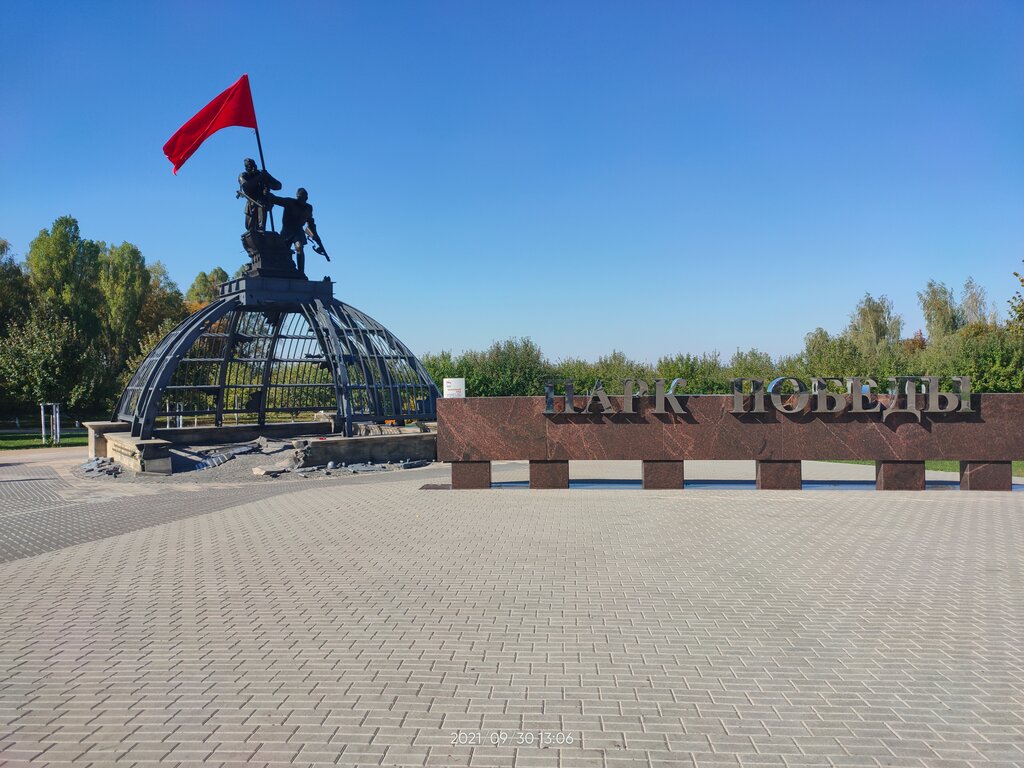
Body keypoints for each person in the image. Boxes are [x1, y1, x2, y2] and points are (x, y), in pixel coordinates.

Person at [268, 188, 329, 275]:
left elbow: (310, 223)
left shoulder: (308, 208)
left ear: (306, 198)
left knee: (299, 247)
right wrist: (268, 194)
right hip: (286, 231)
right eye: (298, 197)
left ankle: (301, 272)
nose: (299, 199)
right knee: (283, 252)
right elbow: (276, 199)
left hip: (298, 231)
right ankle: (284, 269)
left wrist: (315, 236)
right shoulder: (289, 202)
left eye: (301, 197)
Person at [238, 158, 281, 232]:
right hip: (251, 203)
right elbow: (246, 185)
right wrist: (260, 177)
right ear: (246, 168)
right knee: (249, 228)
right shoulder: (243, 175)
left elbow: (278, 185)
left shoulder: (262, 173)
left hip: (262, 202)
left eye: (254, 166)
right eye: (250, 167)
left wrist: (268, 184)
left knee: (262, 204)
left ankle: (262, 229)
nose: (253, 168)